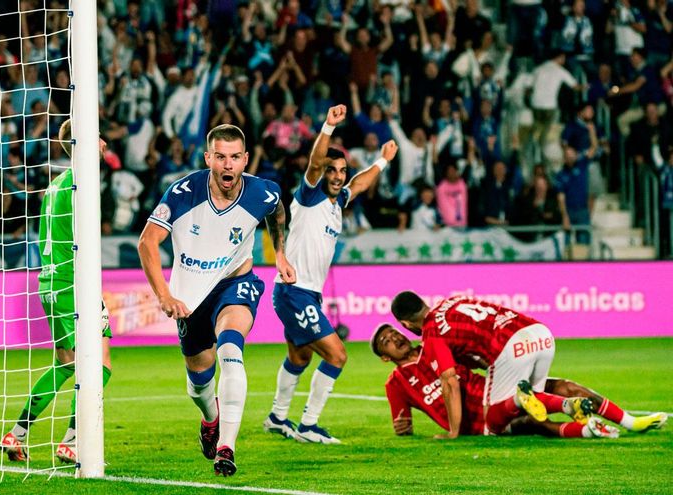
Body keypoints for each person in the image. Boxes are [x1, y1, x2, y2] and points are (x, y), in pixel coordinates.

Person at [137, 124, 295, 477]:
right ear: (208, 158)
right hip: (191, 296)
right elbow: (147, 243)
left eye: (235, 157)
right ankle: (211, 418)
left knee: (230, 348)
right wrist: (164, 295)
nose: (228, 165)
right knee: (199, 382)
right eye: (221, 157)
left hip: (235, 283)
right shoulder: (183, 193)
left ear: (245, 159)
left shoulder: (262, 191)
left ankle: (227, 447)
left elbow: (277, 211)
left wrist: (280, 254)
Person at [264, 104, 398, 444]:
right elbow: (314, 162)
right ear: (322, 174)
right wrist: (327, 126)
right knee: (337, 355)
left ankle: (277, 417)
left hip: (304, 293)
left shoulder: (338, 204)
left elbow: (360, 183)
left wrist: (382, 161)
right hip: (294, 291)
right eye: (331, 170)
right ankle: (309, 425)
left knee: (300, 356)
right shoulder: (310, 196)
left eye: (341, 171)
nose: (337, 176)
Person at [1, 120, 113, 465]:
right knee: (101, 364)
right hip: (73, 284)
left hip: (48, 282)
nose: (104, 142)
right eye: (98, 136)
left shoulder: (55, 184)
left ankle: (17, 433)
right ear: (85, 141)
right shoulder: (82, 183)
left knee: (65, 363)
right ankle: (73, 441)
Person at [370, 324, 668, 437]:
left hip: (493, 389)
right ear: (385, 357)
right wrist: (404, 428)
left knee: (565, 386)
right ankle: (585, 426)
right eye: (386, 341)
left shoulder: (435, 345)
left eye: (393, 332)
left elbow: (479, 362)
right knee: (529, 421)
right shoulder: (395, 383)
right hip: (478, 419)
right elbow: (402, 427)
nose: (393, 338)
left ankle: (629, 421)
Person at [390, 291, 556, 440]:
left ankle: (518, 400)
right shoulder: (452, 300)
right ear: (422, 302)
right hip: (539, 333)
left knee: (492, 422)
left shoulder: (432, 334)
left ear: (406, 324)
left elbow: (450, 382)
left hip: (509, 347)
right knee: (540, 395)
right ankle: (569, 405)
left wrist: (453, 432)